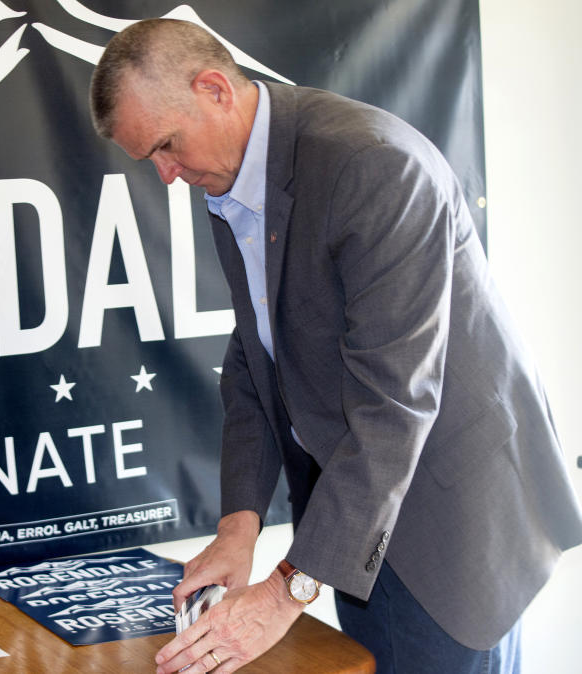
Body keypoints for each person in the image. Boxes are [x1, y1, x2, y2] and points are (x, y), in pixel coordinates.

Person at [89, 18, 582, 674]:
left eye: (167, 146)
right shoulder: (232, 182)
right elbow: (253, 360)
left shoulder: (372, 166)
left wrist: (285, 589)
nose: (167, 174)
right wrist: (239, 529)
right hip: (358, 518)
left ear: (215, 89)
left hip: (449, 523)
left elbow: (393, 408)